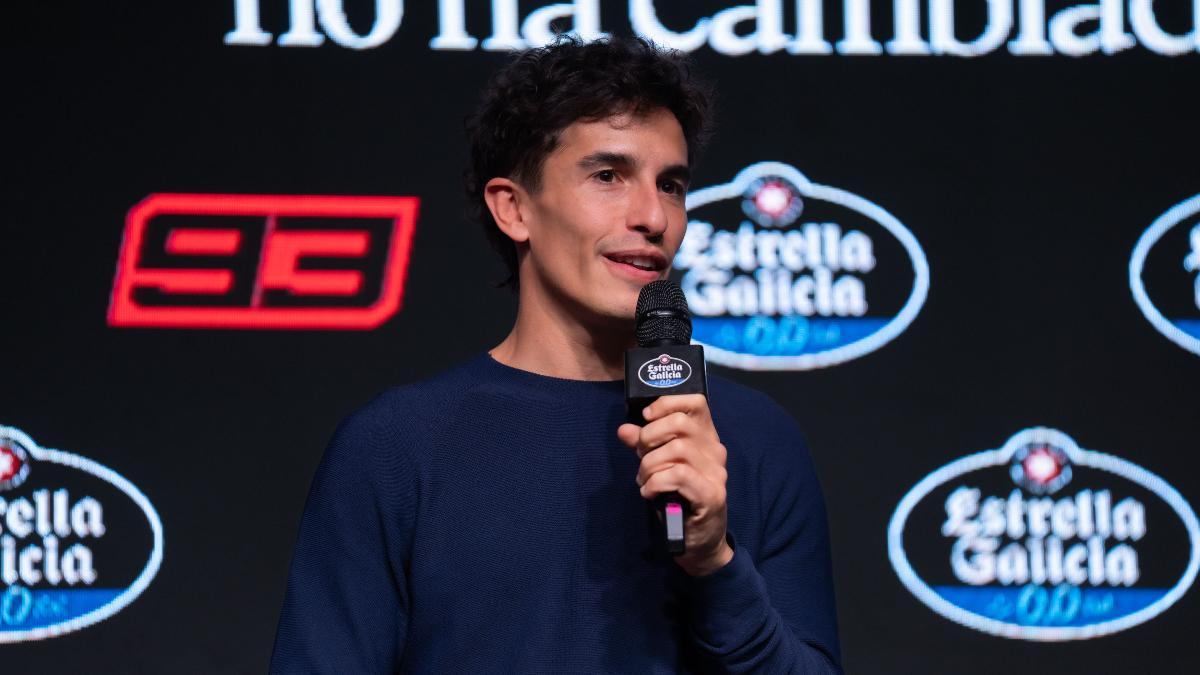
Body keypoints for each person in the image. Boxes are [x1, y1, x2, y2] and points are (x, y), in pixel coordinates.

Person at [270, 36, 841, 674]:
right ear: (513, 208)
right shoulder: (396, 445)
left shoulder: (756, 441)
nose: (654, 215)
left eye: (672, 185)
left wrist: (713, 562)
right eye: (608, 176)